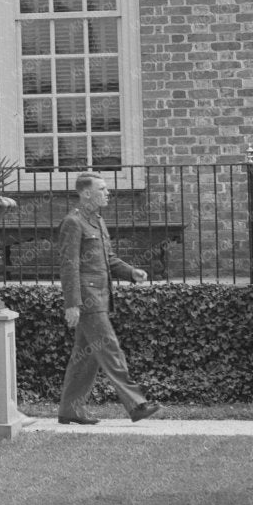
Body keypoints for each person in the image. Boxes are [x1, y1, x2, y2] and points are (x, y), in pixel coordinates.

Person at [56, 173, 162, 425]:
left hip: (101, 298)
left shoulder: (98, 222)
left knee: (86, 357)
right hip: (88, 300)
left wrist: (131, 272)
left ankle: (70, 410)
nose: (108, 193)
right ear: (86, 194)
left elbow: (109, 259)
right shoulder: (73, 222)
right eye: (102, 189)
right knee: (111, 350)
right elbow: (69, 266)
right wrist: (72, 303)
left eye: (106, 189)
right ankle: (136, 404)